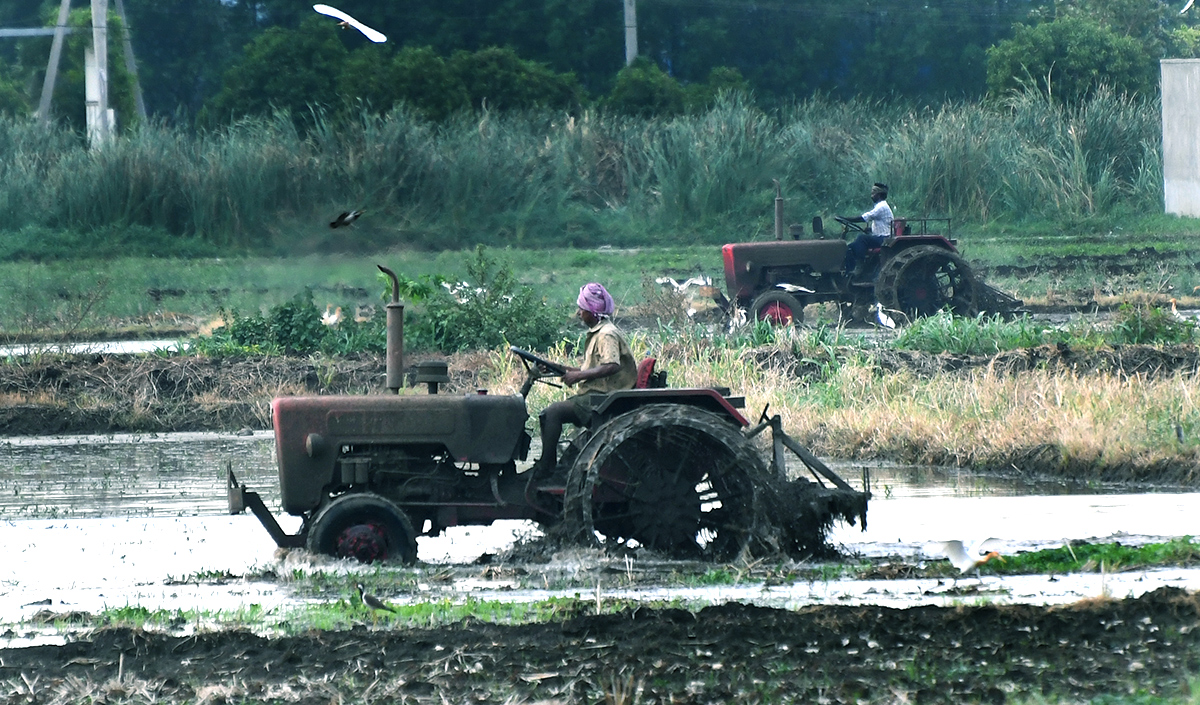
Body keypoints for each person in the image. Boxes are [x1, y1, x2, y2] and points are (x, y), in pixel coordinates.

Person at [531, 282, 638, 475]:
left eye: (582, 309)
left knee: (552, 413)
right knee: (551, 413)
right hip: (600, 394)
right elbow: (592, 369)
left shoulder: (606, 334)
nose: (579, 313)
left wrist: (578, 375)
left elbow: (612, 365)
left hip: (604, 398)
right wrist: (558, 368)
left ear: (593, 311)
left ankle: (546, 468)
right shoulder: (599, 332)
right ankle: (548, 464)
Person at [842, 182, 894, 279]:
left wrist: (846, 219)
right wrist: (870, 229)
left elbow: (864, 217)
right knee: (849, 248)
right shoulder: (880, 206)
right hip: (879, 236)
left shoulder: (881, 206)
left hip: (884, 238)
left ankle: (860, 266)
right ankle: (849, 273)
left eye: (873, 193)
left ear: (878, 194)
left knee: (862, 239)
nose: (871, 196)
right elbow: (882, 223)